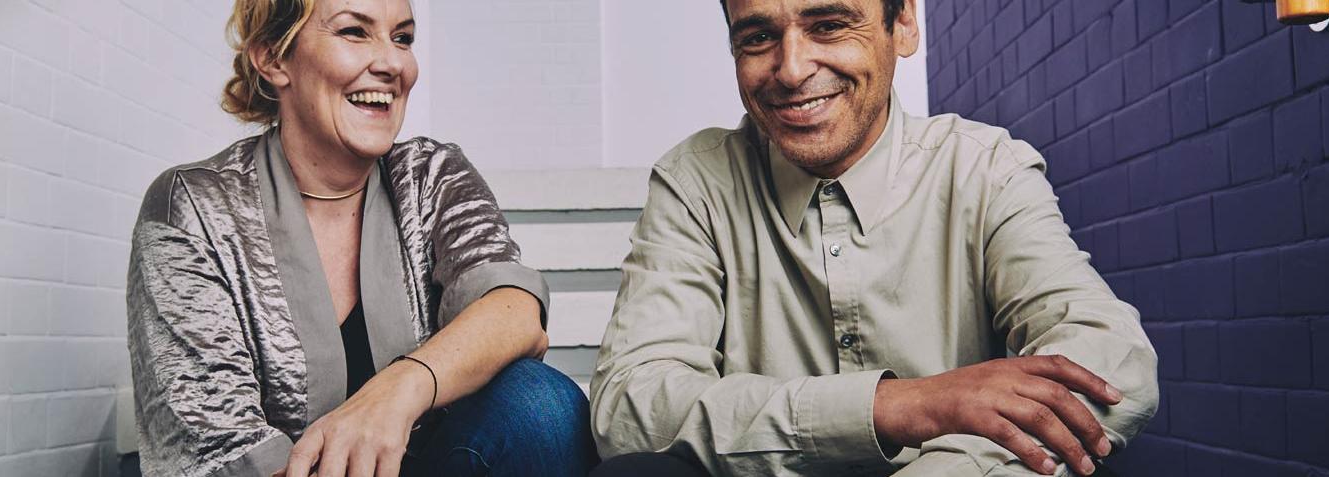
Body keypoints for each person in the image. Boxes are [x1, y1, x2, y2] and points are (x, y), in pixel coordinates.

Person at [589, 0, 1159, 475]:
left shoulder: (985, 168)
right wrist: (892, 406)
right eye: (759, 36)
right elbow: (631, 406)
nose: (790, 69)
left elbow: (1111, 360)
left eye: (829, 25)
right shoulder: (697, 182)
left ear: (903, 23)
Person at [125, 1, 595, 476]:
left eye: (403, 38)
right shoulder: (197, 205)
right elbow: (218, 450)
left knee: (542, 405)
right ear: (273, 58)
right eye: (354, 32)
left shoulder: (430, 175)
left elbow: (513, 312)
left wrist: (396, 392)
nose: (393, 63)